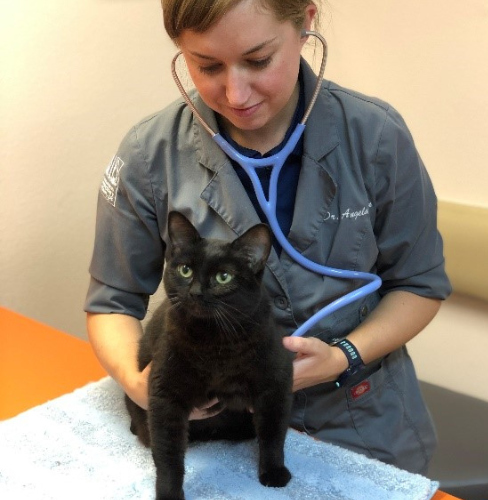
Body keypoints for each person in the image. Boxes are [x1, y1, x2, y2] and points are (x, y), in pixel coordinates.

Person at [85, 0, 451, 475]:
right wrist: (141, 386)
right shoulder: (149, 153)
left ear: (305, 23)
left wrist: (343, 356)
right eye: (207, 66)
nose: (236, 93)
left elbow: (419, 285)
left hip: (357, 417)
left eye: (258, 60)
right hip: (214, 431)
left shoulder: (375, 135)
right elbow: (112, 302)